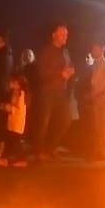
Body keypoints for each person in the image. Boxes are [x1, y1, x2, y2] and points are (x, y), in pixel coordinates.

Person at [31, 23, 75, 160]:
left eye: (66, 34)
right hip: (47, 92)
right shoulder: (46, 51)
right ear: (54, 35)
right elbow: (41, 73)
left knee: (66, 119)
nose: (65, 37)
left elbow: (70, 65)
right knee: (43, 123)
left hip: (61, 92)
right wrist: (60, 74)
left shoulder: (65, 52)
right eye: (62, 34)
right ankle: (38, 151)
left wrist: (71, 71)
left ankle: (50, 148)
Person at [0, 73, 29, 167]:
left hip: (17, 122)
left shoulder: (21, 94)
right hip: (12, 121)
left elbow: (19, 109)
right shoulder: (15, 93)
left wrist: (6, 107)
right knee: (10, 141)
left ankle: (20, 159)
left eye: (13, 81)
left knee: (15, 142)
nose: (10, 83)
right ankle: (7, 159)